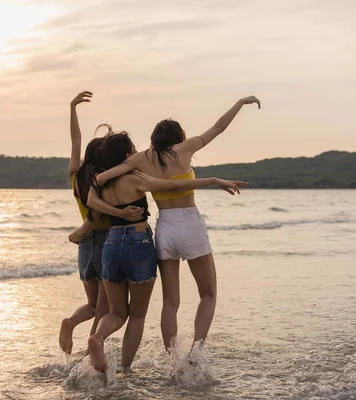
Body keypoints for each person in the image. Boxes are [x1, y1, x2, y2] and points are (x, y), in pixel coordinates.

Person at [94, 96, 261, 351]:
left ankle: (173, 358)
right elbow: (218, 127)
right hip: (190, 224)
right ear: (178, 137)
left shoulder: (141, 159)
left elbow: (104, 177)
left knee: (170, 302)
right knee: (208, 295)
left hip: (166, 229)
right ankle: (196, 350)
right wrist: (239, 103)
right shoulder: (184, 149)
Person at [73, 129, 247, 372]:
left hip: (110, 245)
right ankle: (125, 368)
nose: (137, 152)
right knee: (137, 316)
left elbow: (91, 203)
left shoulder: (98, 181)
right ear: (125, 155)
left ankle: (98, 338)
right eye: (133, 149)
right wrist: (213, 181)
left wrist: (117, 213)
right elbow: (170, 186)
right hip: (138, 242)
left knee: (116, 312)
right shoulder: (135, 178)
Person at [59, 92, 143, 355]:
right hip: (107, 241)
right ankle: (91, 351)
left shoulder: (76, 176)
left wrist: (72, 108)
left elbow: (75, 139)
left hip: (84, 245)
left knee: (92, 305)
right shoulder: (106, 180)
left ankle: (71, 322)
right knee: (105, 308)